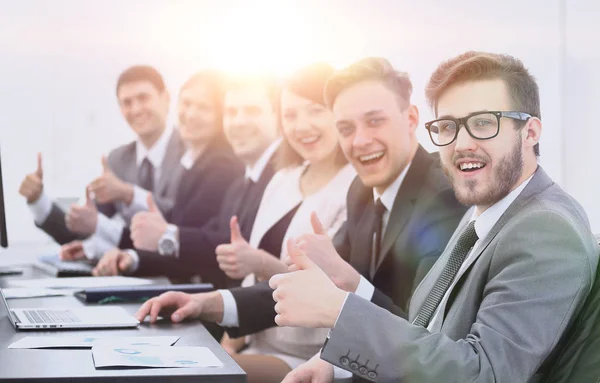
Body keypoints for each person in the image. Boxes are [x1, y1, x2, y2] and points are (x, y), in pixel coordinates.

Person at [270, 51, 600, 382]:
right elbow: (425, 328)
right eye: (447, 127)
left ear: (530, 133)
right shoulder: (482, 213)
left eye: (483, 123)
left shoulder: (545, 229)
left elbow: (484, 374)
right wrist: (336, 364)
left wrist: (339, 311)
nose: (461, 144)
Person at [134, 58, 466, 380]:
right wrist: (205, 303)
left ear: (410, 119)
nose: (360, 141)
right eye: (346, 128)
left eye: (375, 121)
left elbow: (425, 331)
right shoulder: (362, 193)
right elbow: (304, 285)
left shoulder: (442, 196)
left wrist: (350, 286)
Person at [214, 63, 355, 383]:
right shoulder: (282, 179)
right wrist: (229, 343)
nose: (301, 126)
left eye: (315, 111)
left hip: (310, 357)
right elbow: (251, 284)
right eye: (290, 115)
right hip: (255, 342)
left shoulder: (354, 187)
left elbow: (326, 288)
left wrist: (262, 262)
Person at [91, 74, 281, 289]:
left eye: (252, 111)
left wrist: (165, 235)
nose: (239, 121)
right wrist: (133, 258)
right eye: (232, 112)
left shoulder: (231, 167)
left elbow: (207, 244)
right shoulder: (237, 180)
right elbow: (204, 241)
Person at [19, 65, 186, 260]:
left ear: (165, 99)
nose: (136, 109)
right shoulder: (118, 160)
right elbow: (86, 230)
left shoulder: (190, 152)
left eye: (143, 98)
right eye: (127, 102)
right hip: (136, 276)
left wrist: (128, 194)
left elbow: (185, 223)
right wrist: (38, 201)